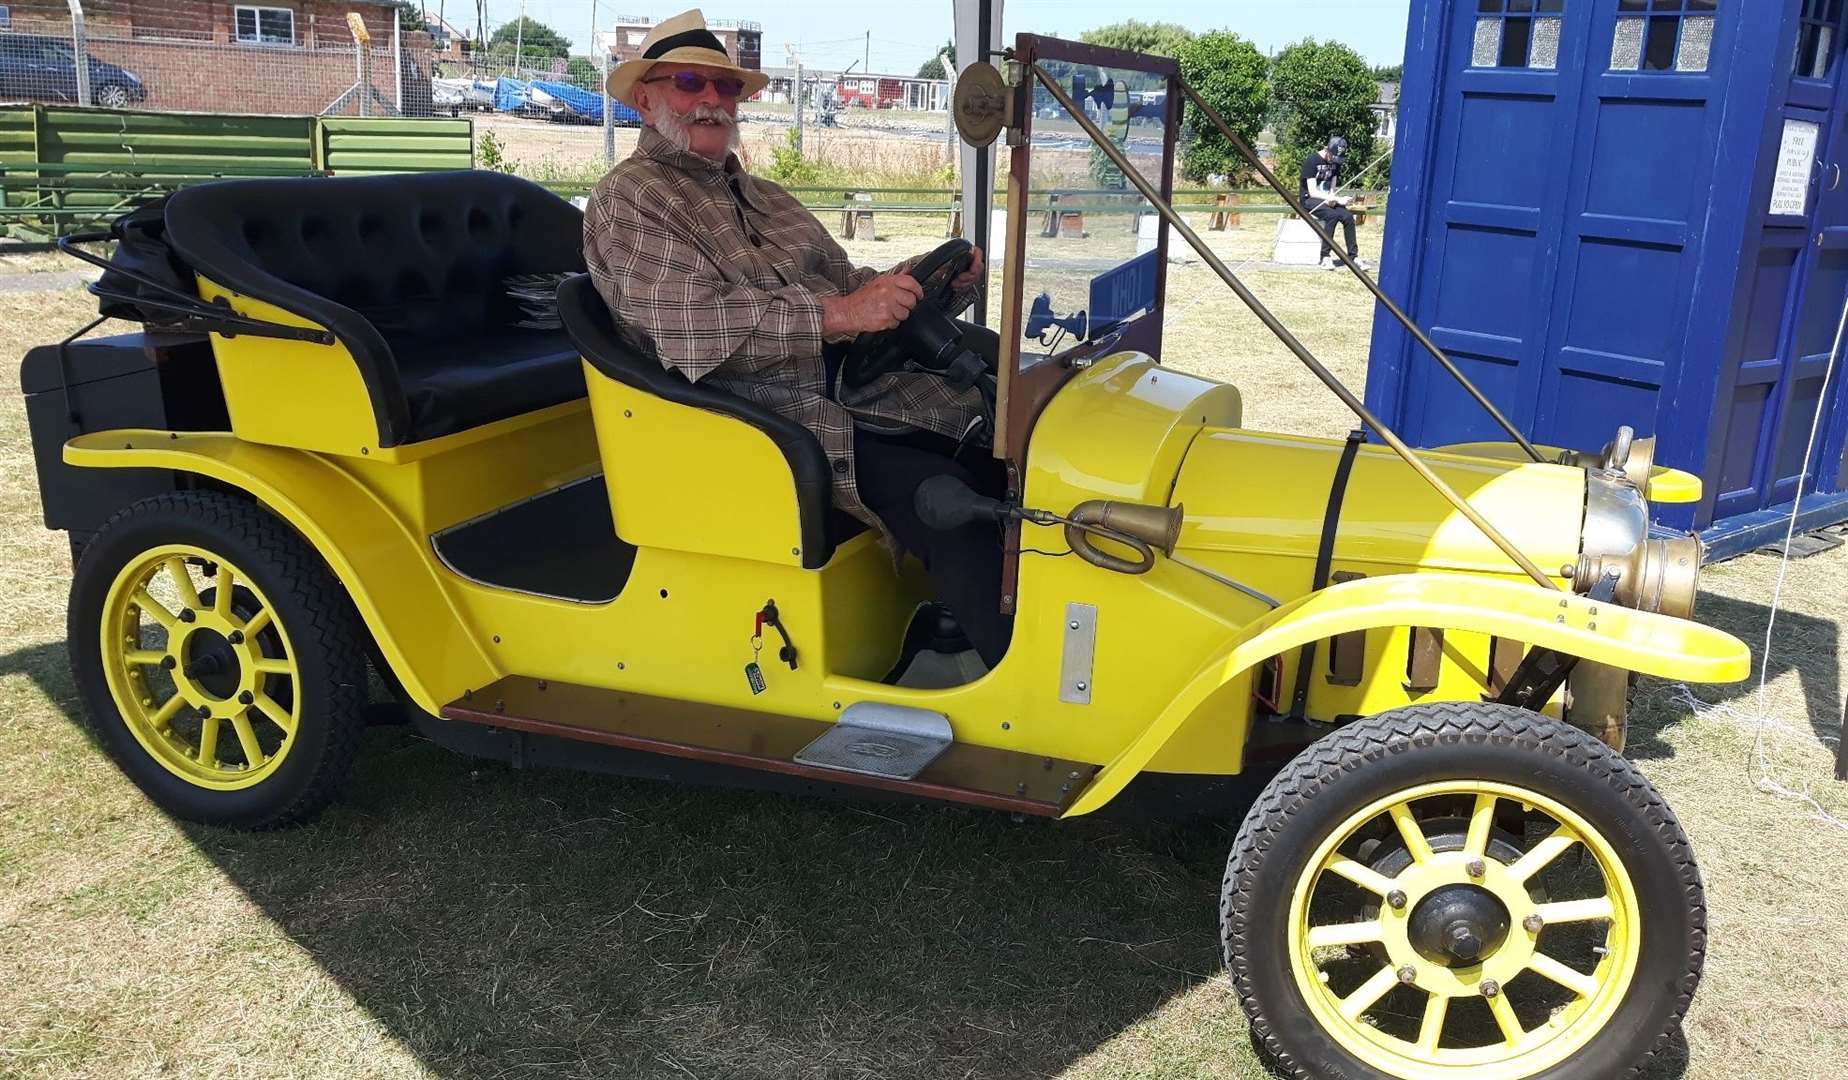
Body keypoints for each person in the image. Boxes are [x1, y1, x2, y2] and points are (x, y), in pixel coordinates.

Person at [583, 9, 1011, 669]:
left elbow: (849, 281)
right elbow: (691, 328)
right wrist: (839, 317)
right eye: (691, 82)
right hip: (760, 417)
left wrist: (935, 286)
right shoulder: (631, 201)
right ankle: (1027, 694)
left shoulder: (769, 196)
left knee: (1013, 437)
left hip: (856, 386)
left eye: (726, 90)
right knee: (954, 502)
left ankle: (1031, 636)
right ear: (646, 99)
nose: (711, 102)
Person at [1298, 135, 1372, 271]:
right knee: (1332, 216)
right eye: (1333, 157)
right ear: (1327, 150)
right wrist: (1335, 200)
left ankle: (1353, 257)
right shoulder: (1312, 161)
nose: (1335, 161)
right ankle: (1325, 257)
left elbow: (1332, 188)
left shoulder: (1336, 163)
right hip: (1309, 200)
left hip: (1327, 199)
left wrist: (1333, 199)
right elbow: (1313, 191)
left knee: (1348, 217)